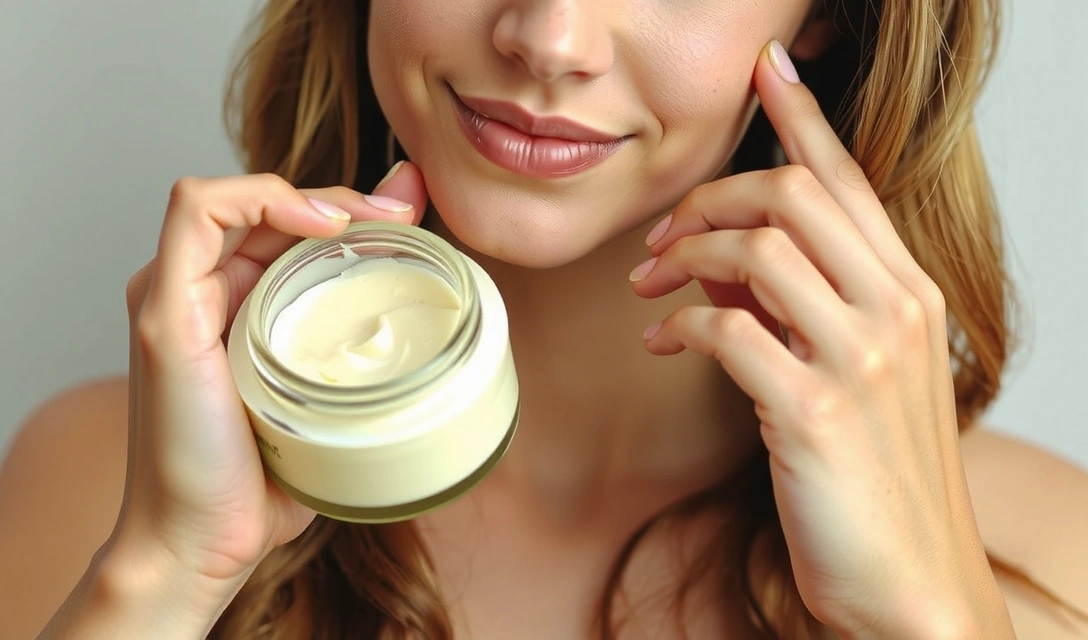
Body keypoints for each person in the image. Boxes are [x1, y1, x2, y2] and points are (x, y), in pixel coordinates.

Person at [2, 0, 1086, 638]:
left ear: (821, 19)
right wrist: (164, 575)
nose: (548, 36)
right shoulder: (103, 489)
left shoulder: (1042, 556)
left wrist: (929, 622)